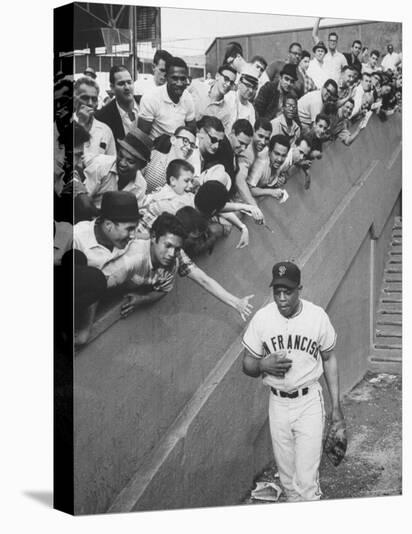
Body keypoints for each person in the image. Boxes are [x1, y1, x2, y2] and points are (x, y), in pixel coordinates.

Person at [242, 261, 345, 502]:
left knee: (306, 484)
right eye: (277, 291)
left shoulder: (317, 317)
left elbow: (329, 359)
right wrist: (261, 365)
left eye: (287, 291)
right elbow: (247, 363)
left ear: (299, 289)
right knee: (288, 483)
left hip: (309, 401)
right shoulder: (262, 319)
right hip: (277, 404)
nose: (281, 298)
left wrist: (337, 407)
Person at [101, 212, 255, 320]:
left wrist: (237, 303)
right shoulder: (132, 257)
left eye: (177, 249)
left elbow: (203, 280)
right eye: (168, 246)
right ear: (154, 237)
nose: (171, 253)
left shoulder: (174, 258)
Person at [82, 126, 152, 208]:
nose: (122, 163)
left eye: (130, 161)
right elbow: (83, 201)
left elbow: (132, 214)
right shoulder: (100, 165)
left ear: (141, 166)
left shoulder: (140, 186)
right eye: (120, 156)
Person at [138, 56, 196, 139]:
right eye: (174, 78)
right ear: (166, 77)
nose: (179, 83)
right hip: (156, 149)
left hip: (181, 148)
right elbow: (142, 138)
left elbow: (192, 131)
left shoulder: (188, 98)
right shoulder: (150, 98)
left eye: (183, 79)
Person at [139, 159, 195, 232]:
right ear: (173, 181)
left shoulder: (186, 195)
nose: (191, 185)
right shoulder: (163, 197)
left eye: (192, 181)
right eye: (186, 181)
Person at [143, 125, 197, 193]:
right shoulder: (154, 157)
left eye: (192, 145)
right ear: (173, 140)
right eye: (185, 141)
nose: (189, 147)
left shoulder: (188, 177)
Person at [95, 65, 139, 143]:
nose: (127, 87)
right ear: (112, 88)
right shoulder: (102, 117)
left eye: (129, 82)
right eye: (121, 84)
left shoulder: (147, 104)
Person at [235, 118, 272, 209]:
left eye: (266, 138)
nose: (263, 142)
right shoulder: (248, 153)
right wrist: (254, 206)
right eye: (260, 136)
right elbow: (239, 180)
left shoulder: (261, 150)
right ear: (253, 132)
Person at [74, 76, 116, 156]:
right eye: (85, 98)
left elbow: (111, 163)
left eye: (94, 99)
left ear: (97, 103)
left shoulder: (105, 130)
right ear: (75, 100)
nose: (90, 103)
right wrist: (81, 125)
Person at [188, 64, 237, 132]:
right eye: (226, 79)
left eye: (231, 83)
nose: (228, 84)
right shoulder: (196, 87)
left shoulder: (225, 112)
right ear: (217, 76)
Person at [247, 134, 290, 200]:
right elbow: (249, 189)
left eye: (283, 155)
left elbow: (286, 172)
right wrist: (271, 192)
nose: (279, 159)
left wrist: (283, 178)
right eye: (276, 154)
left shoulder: (285, 161)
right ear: (269, 152)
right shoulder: (260, 163)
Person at [312, 18, 347, 83]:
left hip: (336, 87)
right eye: (331, 40)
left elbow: (347, 72)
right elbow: (314, 35)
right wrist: (319, 19)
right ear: (328, 41)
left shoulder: (341, 57)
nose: (332, 42)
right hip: (324, 85)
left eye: (334, 41)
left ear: (337, 42)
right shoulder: (323, 52)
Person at [225, 65, 259, 130]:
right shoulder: (229, 97)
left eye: (254, 88)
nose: (251, 91)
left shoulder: (251, 108)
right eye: (248, 85)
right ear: (239, 83)